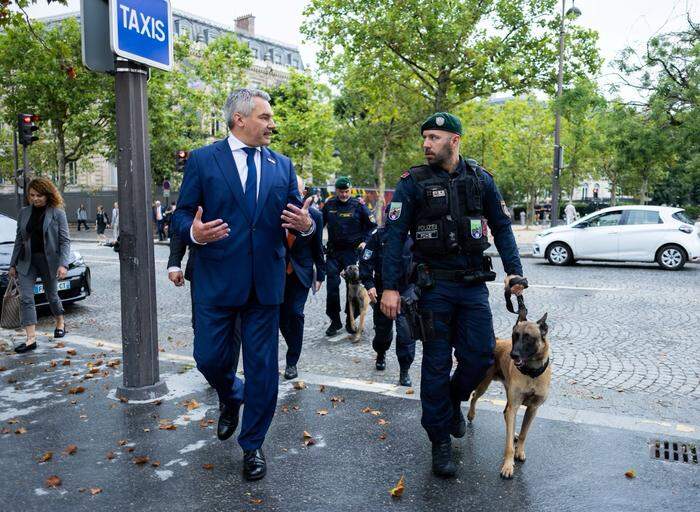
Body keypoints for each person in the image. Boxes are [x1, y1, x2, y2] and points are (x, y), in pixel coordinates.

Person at [171, 88, 314, 481]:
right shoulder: (203, 160)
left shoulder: (282, 165)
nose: (272, 124)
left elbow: (300, 216)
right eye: (265, 117)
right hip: (216, 281)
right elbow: (182, 214)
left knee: (263, 370)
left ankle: (253, 445)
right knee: (210, 359)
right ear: (240, 119)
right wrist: (195, 233)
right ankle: (231, 396)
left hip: (266, 285)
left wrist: (307, 225)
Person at [380, 112, 525, 478]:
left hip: (473, 286)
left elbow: (504, 227)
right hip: (434, 289)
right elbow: (394, 237)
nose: (426, 144)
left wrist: (514, 272)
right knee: (435, 365)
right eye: (425, 138)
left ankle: (453, 400)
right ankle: (439, 442)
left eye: (434, 137)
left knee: (479, 358)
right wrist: (391, 287)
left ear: (455, 141)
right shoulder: (412, 182)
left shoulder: (480, 180)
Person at [9, 178, 71, 353]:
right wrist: (12, 264)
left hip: (48, 261)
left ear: (47, 195)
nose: (35, 199)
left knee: (52, 295)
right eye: (31, 195)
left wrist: (63, 264)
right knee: (26, 298)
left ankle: (60, 321)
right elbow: (19, 240)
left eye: (39, 195)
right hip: (27, 261)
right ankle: (31, 339)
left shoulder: (57, 213)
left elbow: (65, 241)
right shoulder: (23, 213)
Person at [359, 219, 415, 386]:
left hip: (406, 289)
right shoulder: (378, 236)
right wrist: (369, 285)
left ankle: (404, 370)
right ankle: (381, 352)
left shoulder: (414, 237)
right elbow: (366, 261)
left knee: (406, 332)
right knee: (382, 333)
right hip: (383, 289)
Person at [280, 176, 326, 380]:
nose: (295, 196)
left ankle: (292, 361)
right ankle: (291, 344)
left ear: (304, 192)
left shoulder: (315, 215)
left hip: (301, 273)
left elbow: (318, 248)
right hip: (277, 274)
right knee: (280, 317)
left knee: (295, 313)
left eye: (299, 192)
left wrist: (321, 274)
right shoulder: (277, 213)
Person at [322, 177, 376, 336]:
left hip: (352, 253)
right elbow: (319, 224)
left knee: (352, 289)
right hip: (333, 252)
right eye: (341, 191)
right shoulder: (329, 204)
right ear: (336, 191)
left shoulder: (359, 206)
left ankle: (350, 320)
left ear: (350, 190)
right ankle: (334, 320)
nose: (344, 194)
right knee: (332, 287)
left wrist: (365, 242)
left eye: (346, 191)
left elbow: (372, 227)